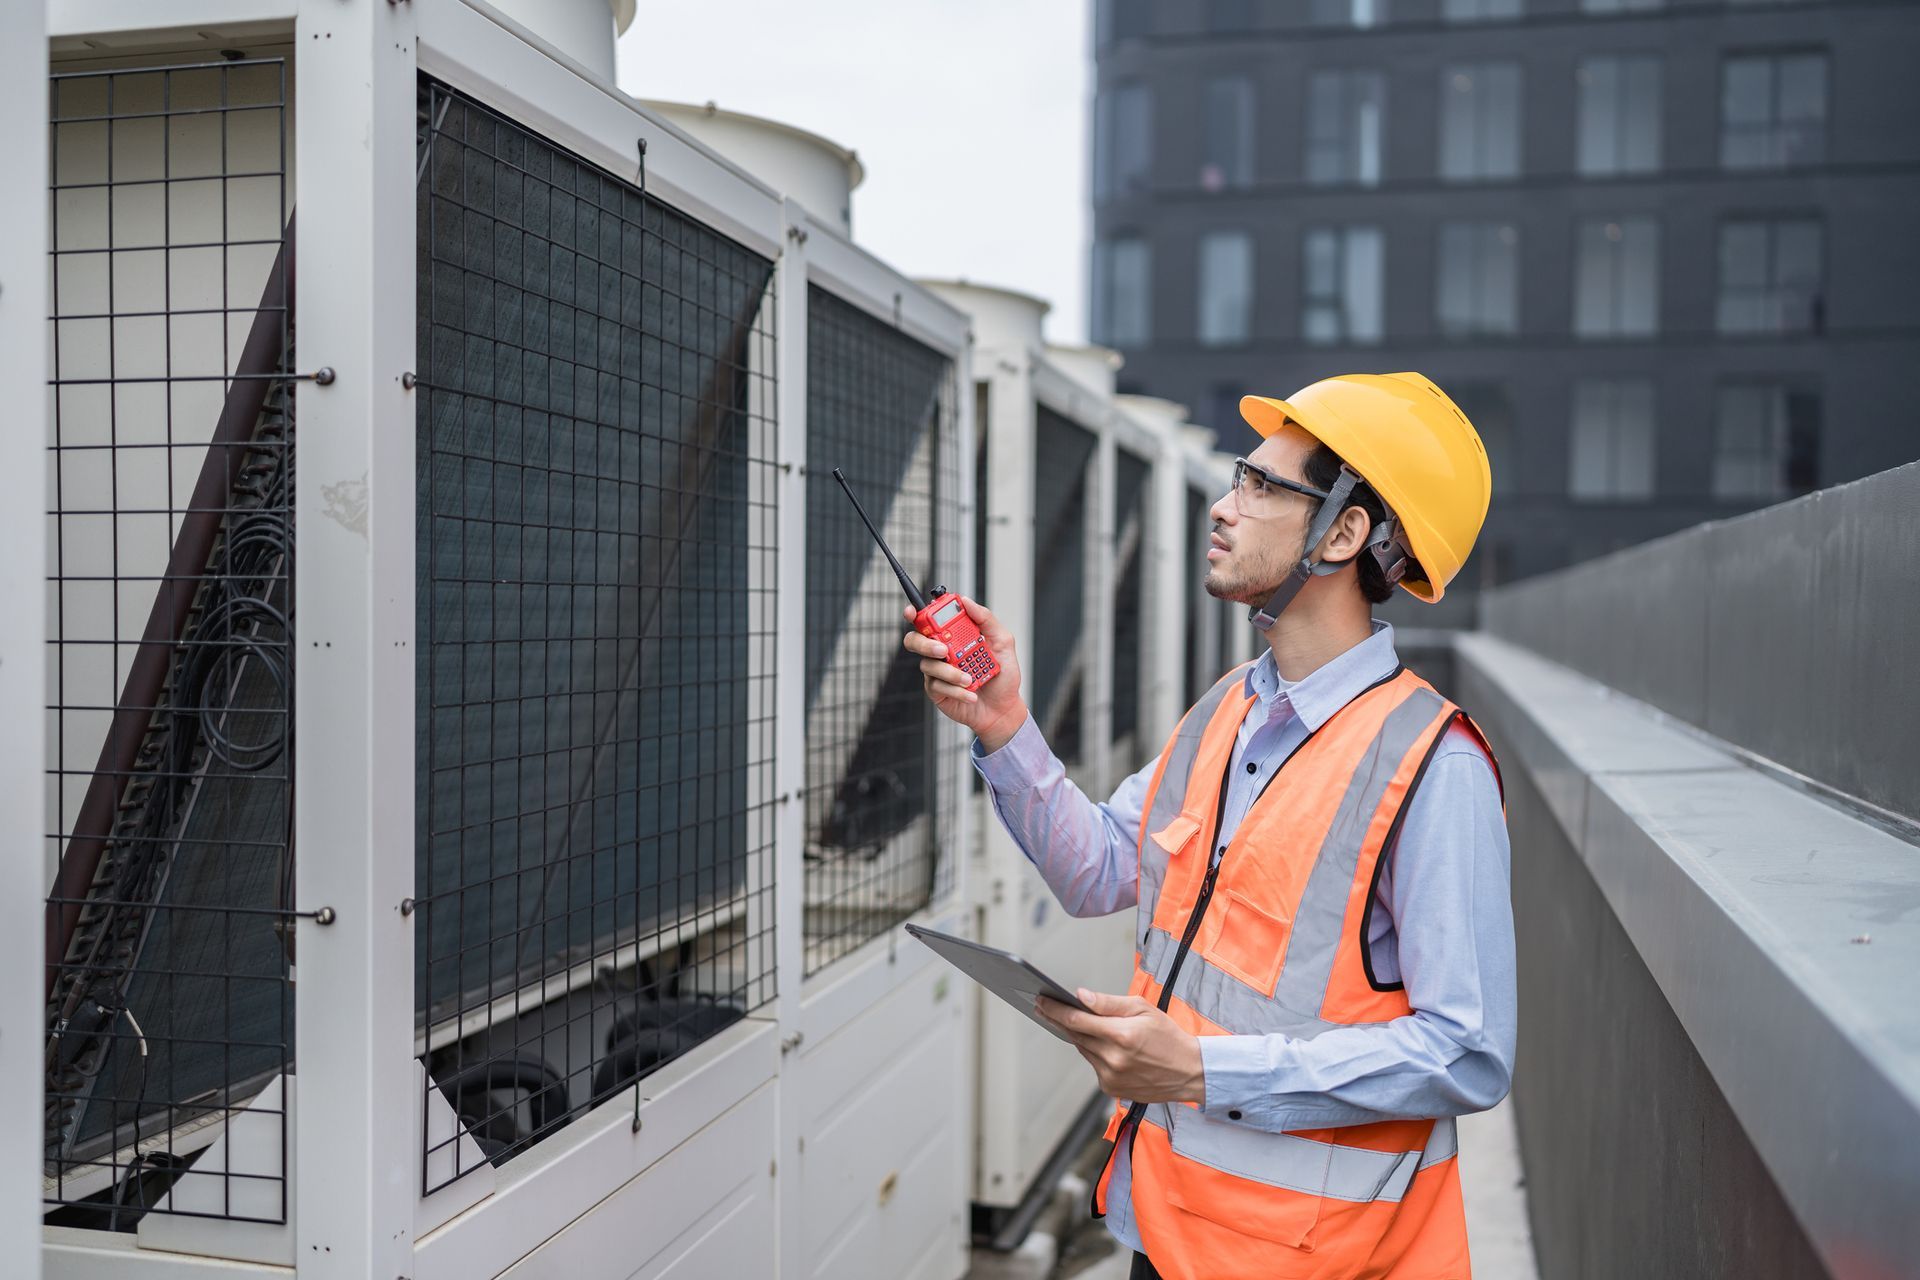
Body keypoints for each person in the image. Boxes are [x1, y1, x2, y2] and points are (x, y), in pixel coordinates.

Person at [904, 374, 1515, 1279]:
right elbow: (1102, 870)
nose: (1225, 507)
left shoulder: (1436, 767)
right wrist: (1003, 725)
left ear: (1344, 533)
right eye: (1241, 478)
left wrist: (1200, 1072)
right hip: (1169, 1226)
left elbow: (1466, 1054)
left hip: (1319, 1261)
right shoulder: (1231, 706)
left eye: (1264, 486)